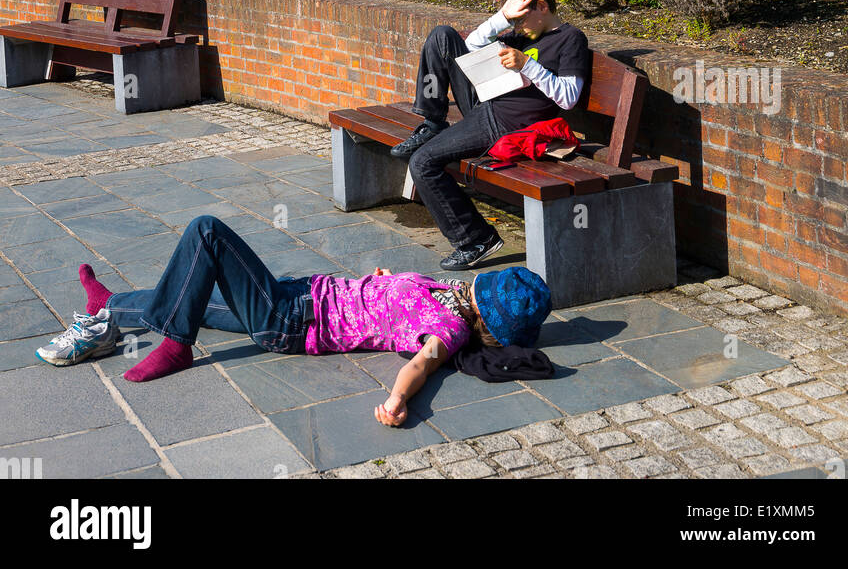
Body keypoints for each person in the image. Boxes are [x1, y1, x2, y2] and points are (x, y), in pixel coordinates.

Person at [34, 217, 551, 427]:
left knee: (207, 234)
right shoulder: (448, 293)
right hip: (299, 297)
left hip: (290, 319)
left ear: (485, 310)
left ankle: (175, 343)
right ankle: (111, 306)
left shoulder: (450, 327)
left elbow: (423, 362)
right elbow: (395, 302)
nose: (473, 284)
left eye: (484, 289)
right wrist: (384, 284)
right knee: (197, 298)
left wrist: (397, 401)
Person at [392, 0, 589, 271]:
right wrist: (503, 17)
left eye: (521, 17)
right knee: (443, 36)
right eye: (514, 20)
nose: (517, 26)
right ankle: (432, 122)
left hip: (507, 123)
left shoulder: (570, 39)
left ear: (543, 7)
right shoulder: (521, 33)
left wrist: (528, 65)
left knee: (422, 163)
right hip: (486, 102)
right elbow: (472, 44)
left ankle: (476, 239)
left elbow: (568, 97)